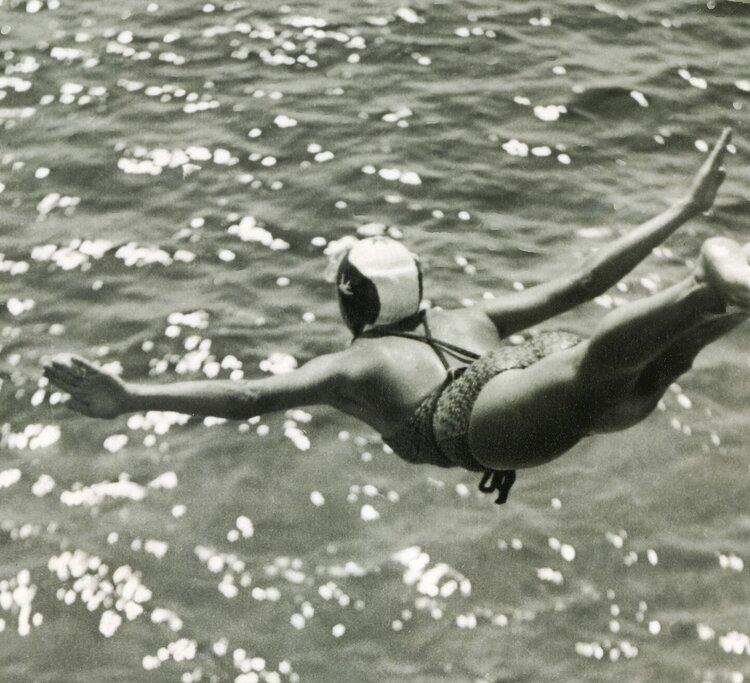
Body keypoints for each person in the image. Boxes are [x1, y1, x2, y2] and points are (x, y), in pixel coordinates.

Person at [44, 128, 748, 504]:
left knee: (603, 369)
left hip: (498, 419)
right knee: (656, 365)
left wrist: (134, 397)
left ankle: (703, 283)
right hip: (538, 387)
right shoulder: (472, 315)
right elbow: (587, 279)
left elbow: (249, 396)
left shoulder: (356, 365)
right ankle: (730, 292)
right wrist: (682, 207)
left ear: (352, 301)